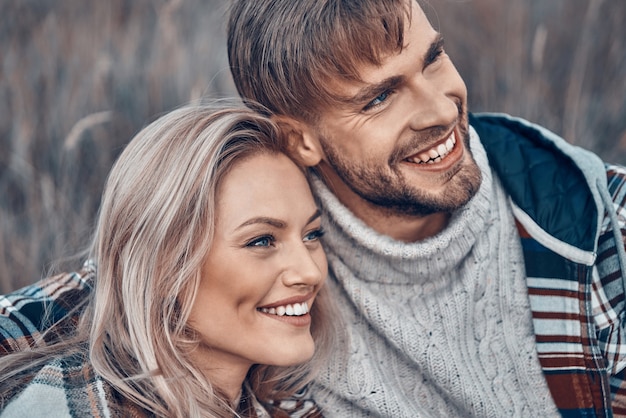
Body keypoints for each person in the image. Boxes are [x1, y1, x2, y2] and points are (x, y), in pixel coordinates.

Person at [226, 0, 626, 417]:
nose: (442, 109)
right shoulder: (273, 314)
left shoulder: (603, 225)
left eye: (433, 59)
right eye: (380, 97)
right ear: (299, 141)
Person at [0, 103, 336, 417]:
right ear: (163, 265)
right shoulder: (68, 406)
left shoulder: (284, 401)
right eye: (262, 240)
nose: (310, 272)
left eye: (312, 235)